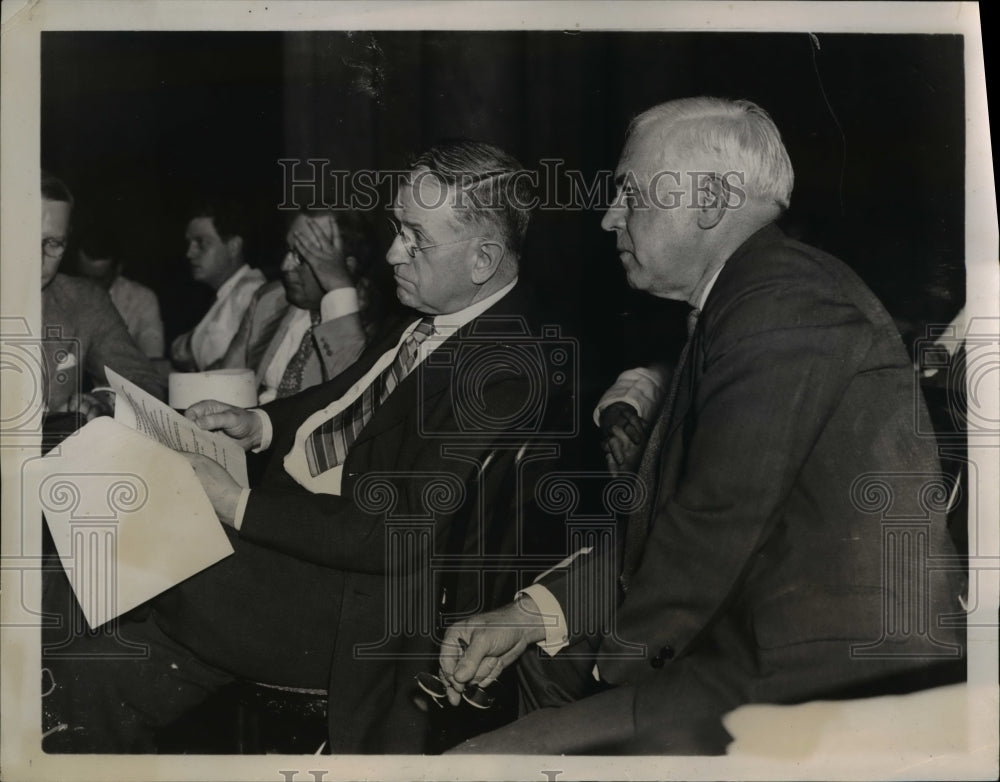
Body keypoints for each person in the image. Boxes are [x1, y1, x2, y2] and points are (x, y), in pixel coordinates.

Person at [436, 98, 966, 754]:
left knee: (480, 760)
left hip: (824, 684)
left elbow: (717, 514)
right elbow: (668, 529)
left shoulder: (785, 301)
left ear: (710, 201)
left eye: (630, 194)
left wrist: (610, 675)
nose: (609, 218)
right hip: (752, 658)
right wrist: (527, 616)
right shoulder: (748, 299)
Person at [42, 140, 570, 754]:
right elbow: (344, 398)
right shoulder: (433, 311)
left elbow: (397, 529)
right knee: (93, 659)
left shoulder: (507, 369)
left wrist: (233, 503)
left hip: (352, 604)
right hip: (296, 548)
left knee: (93, 528)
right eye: (397, 229)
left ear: (483, 259)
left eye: (416, 239)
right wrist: (258, 424)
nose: (394, 253)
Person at [215, 207, 386, 403]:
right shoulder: (270, 298)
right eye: (289, 250)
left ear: (345, 267)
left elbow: (353, 402)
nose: (286, 266)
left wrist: (339, 288)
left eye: (302, 256)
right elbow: (227, 382)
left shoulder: (372, 326)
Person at [39, 172, 166, 426]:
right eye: (23, 238)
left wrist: (105, 402)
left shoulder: (85, 302)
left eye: (53, 243)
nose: (37, 259)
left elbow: (147, 384)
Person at [169, 197, 266, 370]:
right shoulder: (225, 293)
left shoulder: (251, 292)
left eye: (201, 243)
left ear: (234, 246)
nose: (189, 253)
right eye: (189, 243)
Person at [75, 222, 165, 358]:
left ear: (118, 269)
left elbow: (153, 356)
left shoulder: (143, 299)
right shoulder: (61, 294)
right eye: (85, 277)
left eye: (99, 279)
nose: (91, 286)